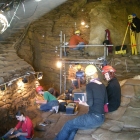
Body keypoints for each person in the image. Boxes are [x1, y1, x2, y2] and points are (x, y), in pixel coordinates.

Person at [55, 65, 108, 140]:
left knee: (68, 124)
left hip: (93, 118)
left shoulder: (90, 85)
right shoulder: (102, 85)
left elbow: (90, 103)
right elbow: (105, 102)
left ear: (87, 75)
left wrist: (82, 102)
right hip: (101, 118)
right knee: (75, 126)